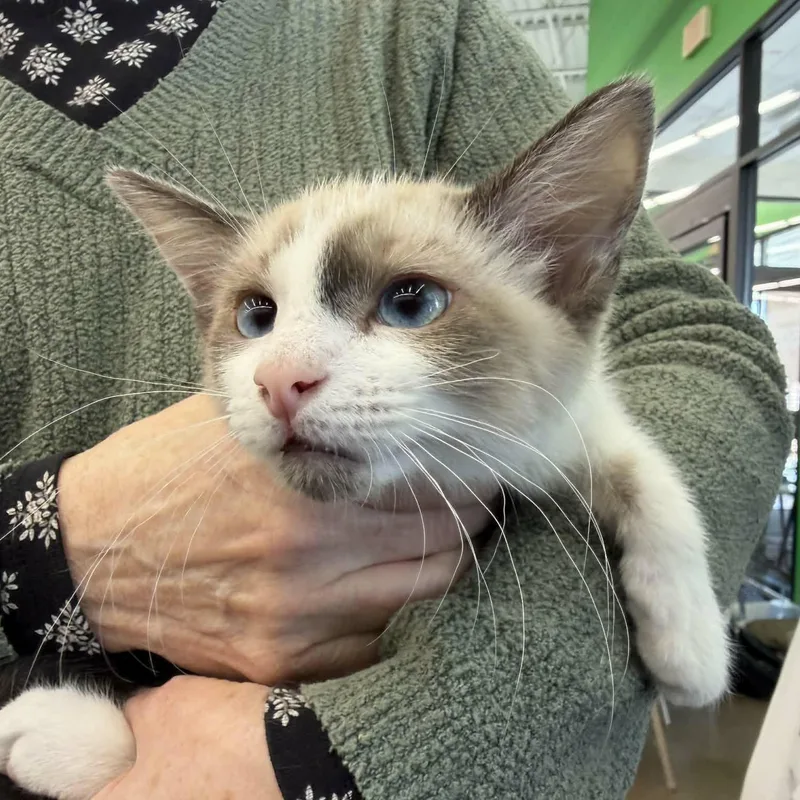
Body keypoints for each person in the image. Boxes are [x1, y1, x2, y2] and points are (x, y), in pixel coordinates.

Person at [0, 0, 789, 798]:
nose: (284, 375)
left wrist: (360, 745)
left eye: (409, 299)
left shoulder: (415, 28)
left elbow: (682, 358)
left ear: (560, 269)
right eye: (255, 314)